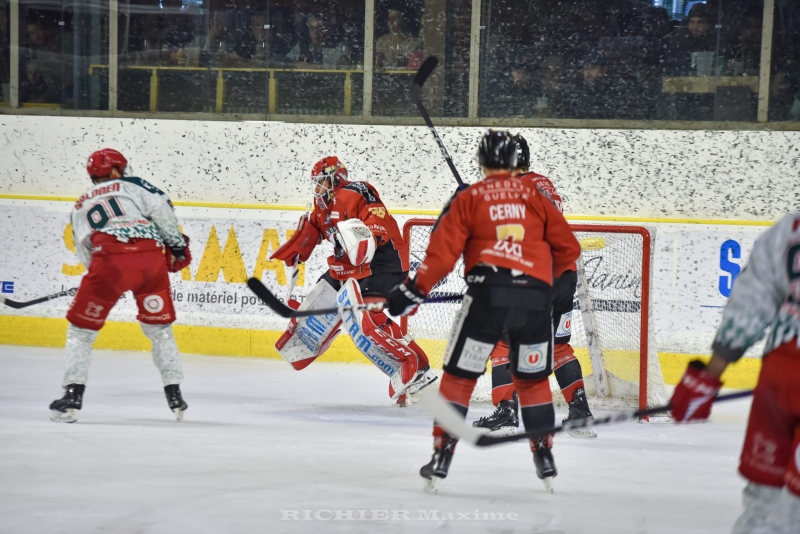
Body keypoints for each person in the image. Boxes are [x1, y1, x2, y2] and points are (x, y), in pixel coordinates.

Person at [387, 131, 582, 493]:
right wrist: (537, 283)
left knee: (458, 380)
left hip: (485, 305)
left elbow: (441, 257)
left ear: (481, 162)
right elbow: (568, 250)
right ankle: (544, 454)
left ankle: (442, 455)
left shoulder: (470, 197)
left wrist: (411, 292)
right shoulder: (536, 196)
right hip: (533, 308)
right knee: (534, 381)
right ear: (515, 163)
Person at [670, 210, 800, 533]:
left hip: (779, 377)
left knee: (762, 503)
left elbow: (750, 301)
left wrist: (709, 377)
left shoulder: (791, 228)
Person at [270, 156, 437, 405]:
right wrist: (299, 245)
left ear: (336, 177)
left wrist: (372, 232)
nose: (317, 189)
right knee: (325, 291)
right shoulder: (321, 211)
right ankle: (306, 329)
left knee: (365, 317)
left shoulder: (356, 192)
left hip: (384, 263)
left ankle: (412, 365)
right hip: (352, 268)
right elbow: (314, 229)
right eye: (315, 184)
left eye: (321, 182)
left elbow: (375, 218)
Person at [49, 149, 192, 423]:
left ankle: (72, 396)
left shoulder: (80, 204)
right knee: (160, 330)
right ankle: (175, 395)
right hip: (151, 261)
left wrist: (97, 278)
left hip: (108, 263)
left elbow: (83, 247)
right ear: (117, 170)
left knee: (81, 332)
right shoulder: (135, 185)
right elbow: (162, 211)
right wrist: (175, 245)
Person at [472, 134, 596, 439]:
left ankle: (507, 412)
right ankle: (580, 412)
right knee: (557, 346)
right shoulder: (544, 183)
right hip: (563, 276)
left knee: (502, 343)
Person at [284, 14, 350, 68]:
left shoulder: (339, 47)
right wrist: (297, 65)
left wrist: (310, 67)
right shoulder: (302, 46)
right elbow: (285, 62)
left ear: (327, 30)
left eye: (319, 28)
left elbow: (344, 66)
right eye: (312, 28)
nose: (315, 32)